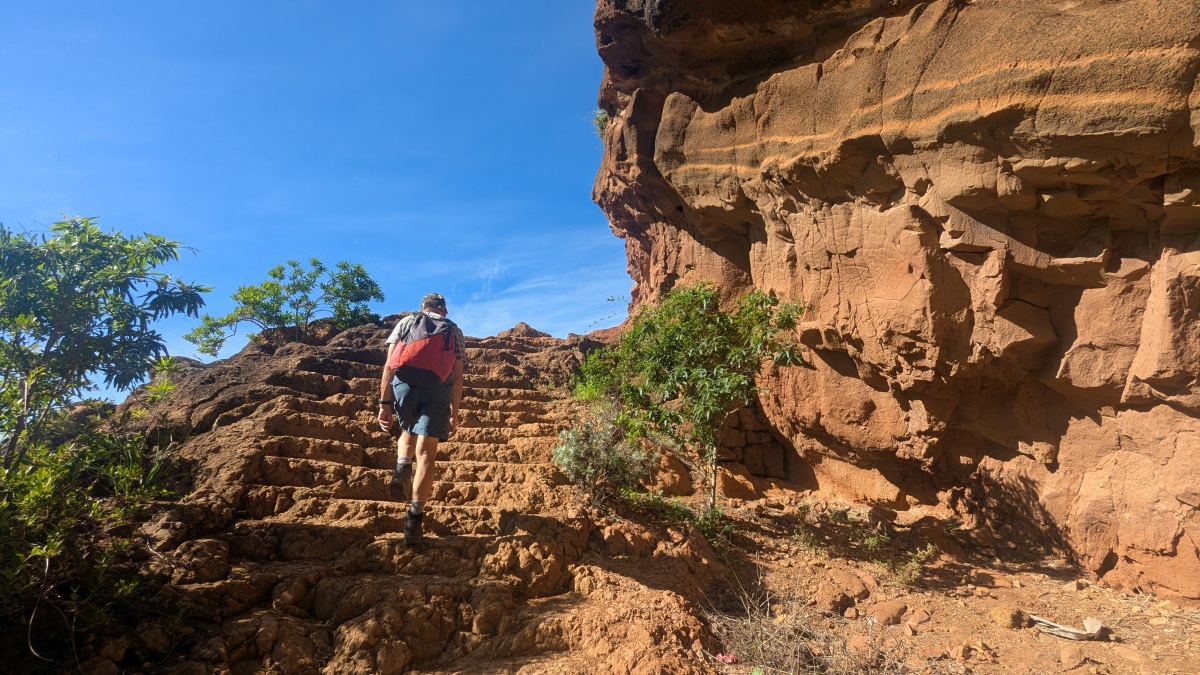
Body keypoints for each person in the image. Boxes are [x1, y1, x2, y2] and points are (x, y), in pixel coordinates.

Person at [377, 293, 466, 546]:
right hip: (438, 389)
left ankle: (402, 466)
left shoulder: (407, 322)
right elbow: (457, 377)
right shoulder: (454, 330)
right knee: (427, 452)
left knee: (407, 429)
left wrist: (384, 404)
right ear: (443, 309)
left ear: (423, 307)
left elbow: (390, 365)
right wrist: (454, 413)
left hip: (405, 385)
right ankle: (414, 519)